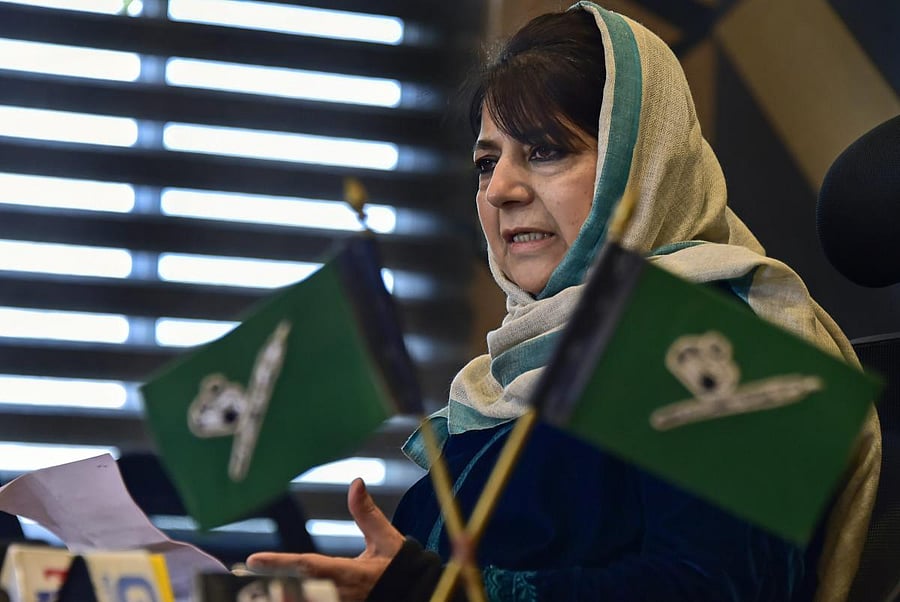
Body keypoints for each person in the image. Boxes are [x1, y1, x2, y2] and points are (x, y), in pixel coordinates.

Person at [247, 2, 881, 600]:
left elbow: (720, 589)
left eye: (545, 152)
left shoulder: (719, 339)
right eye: (485, 163)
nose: (499, 191)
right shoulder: (492, 388)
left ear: (640, 165)